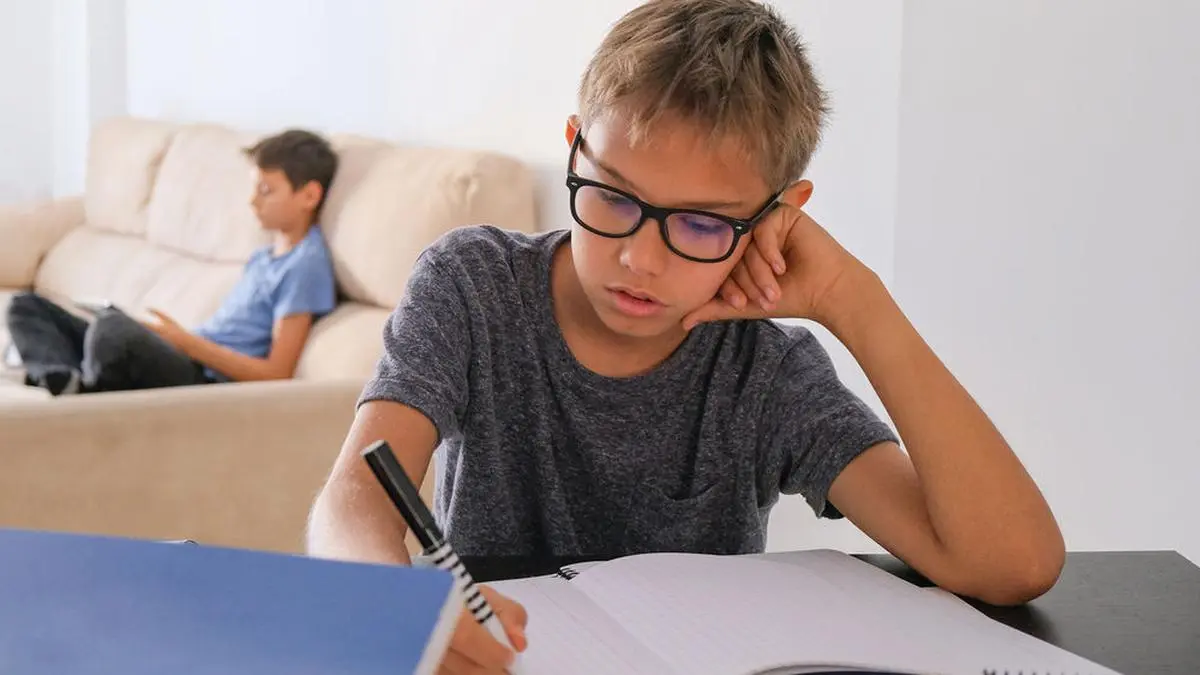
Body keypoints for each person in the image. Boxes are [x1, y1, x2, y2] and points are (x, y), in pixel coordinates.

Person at [307, 1, 1066, 672]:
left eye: (702, 222)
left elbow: (1012, 564)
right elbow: (352, 502)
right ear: (576, 150)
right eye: (611, 197)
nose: (641, 257)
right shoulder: (473, 287)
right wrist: (397, 602)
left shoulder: (766, 372)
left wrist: (854, 301)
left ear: (778, 215)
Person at [6, 129, 338, 395]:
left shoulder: (303, 267)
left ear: (309, 196)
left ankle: (81, 388)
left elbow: (276, 374)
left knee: (112, 329)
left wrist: (187, 343)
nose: (252, 201)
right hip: (184, 353)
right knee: (26, 307)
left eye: (266, 190)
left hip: (202, 378)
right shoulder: (264, 256)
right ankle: (63, 382)